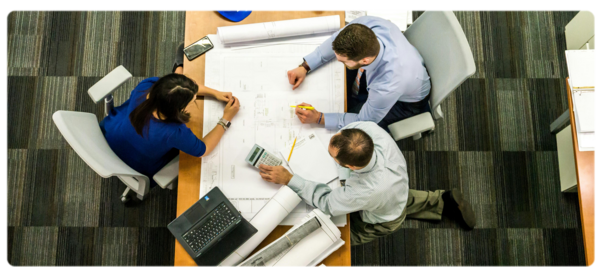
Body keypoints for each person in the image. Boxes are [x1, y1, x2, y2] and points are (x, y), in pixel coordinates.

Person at [256, 121, 476, 246]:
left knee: (336, 238)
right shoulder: (368, 131)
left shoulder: (363, 191)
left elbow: (327, 203)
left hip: (383, 216)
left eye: (334, 158)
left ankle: (332, 243)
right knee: (398, 198)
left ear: (351, 167)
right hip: (395, 187)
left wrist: (290, 179)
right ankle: (442, 201)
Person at [100, 43, 240, 186]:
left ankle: (178, 66)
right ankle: (178, 66)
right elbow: (203, 149)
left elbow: (177, 88)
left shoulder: (147, 86)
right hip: (135, 165)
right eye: (192, 101)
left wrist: (215, 93)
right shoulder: (173, 132)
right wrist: (226, 118)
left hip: (110, 133)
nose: (194, 100)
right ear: (177, 109)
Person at [288, 16, 432, 131]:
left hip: (406, 103)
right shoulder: (367, 25)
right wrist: (305, 66)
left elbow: (363, 121)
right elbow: (335, 40)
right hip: (402, 68)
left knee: (352, 129)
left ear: (365, 60)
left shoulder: (387, 85)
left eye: (343, 61)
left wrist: (319, 118)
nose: (338, 61)